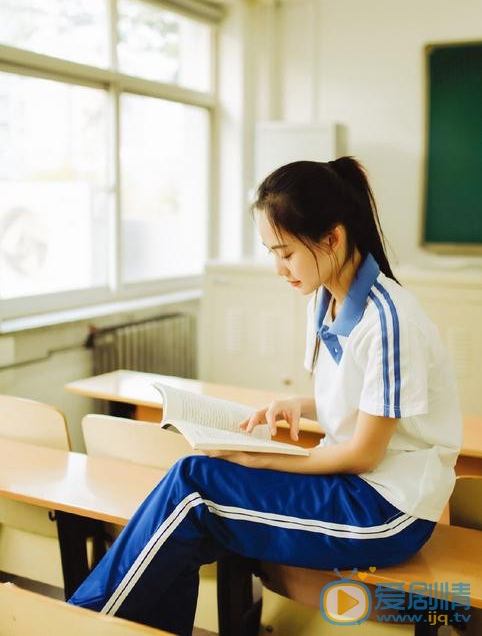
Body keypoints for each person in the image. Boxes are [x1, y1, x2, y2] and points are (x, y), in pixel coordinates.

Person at [68, 157, 462, 636]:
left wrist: (264, 459)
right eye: (270, 252)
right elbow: (372, 399)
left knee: (194, 490)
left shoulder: (388, 319)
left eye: (286, 252)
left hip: (385, 511)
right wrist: (301, 406)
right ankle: (101, 623)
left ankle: (79, 624)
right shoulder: (326, 298)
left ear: (332, 238)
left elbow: (364, 452)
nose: (278, 268)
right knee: (188, 512)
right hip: (354, 487)